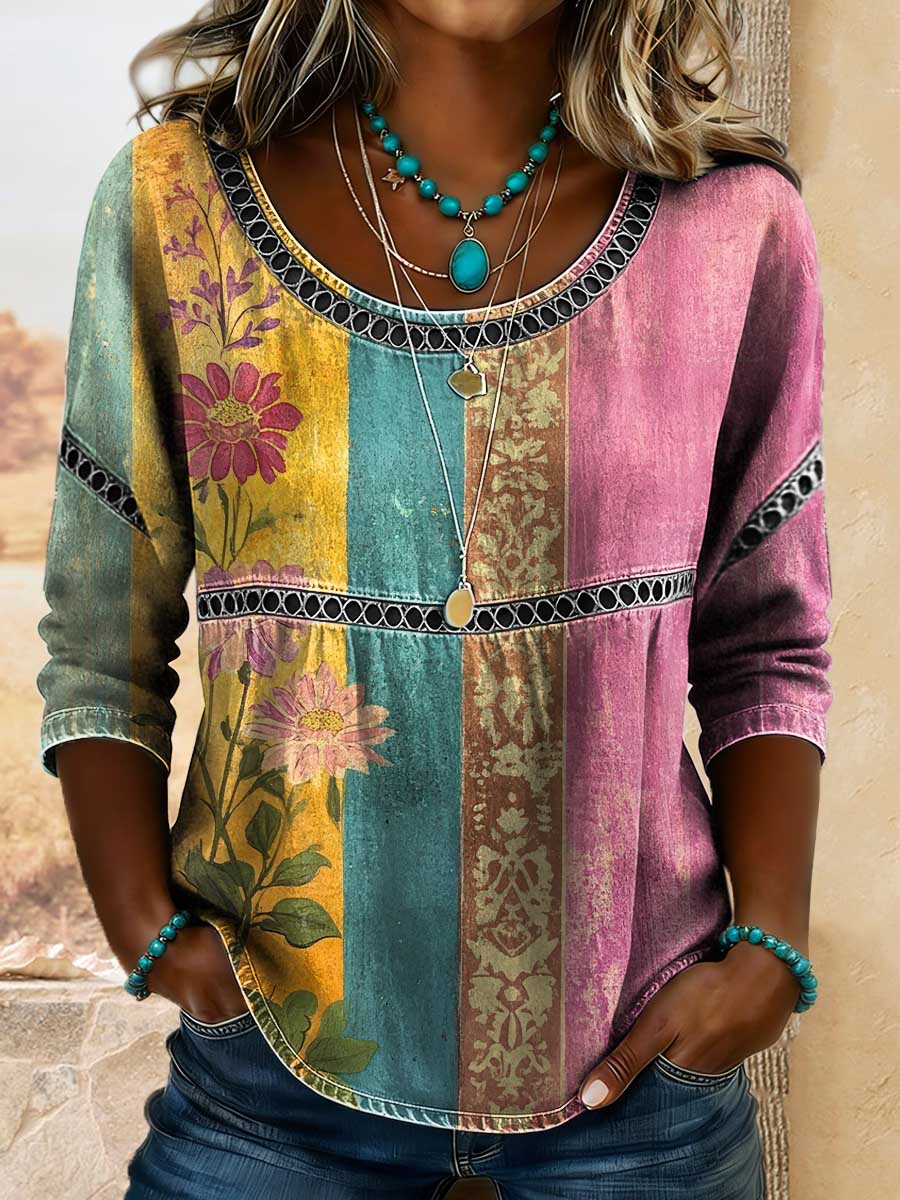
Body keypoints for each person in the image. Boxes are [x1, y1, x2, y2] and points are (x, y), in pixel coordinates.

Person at [35, 1, 833, 1197]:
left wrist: (768, 949)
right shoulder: (178, 202)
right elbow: (103, 631)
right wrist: (150, 933)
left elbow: (767, 636)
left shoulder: (733, 222)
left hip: (641, 1088)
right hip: (268, 1086)